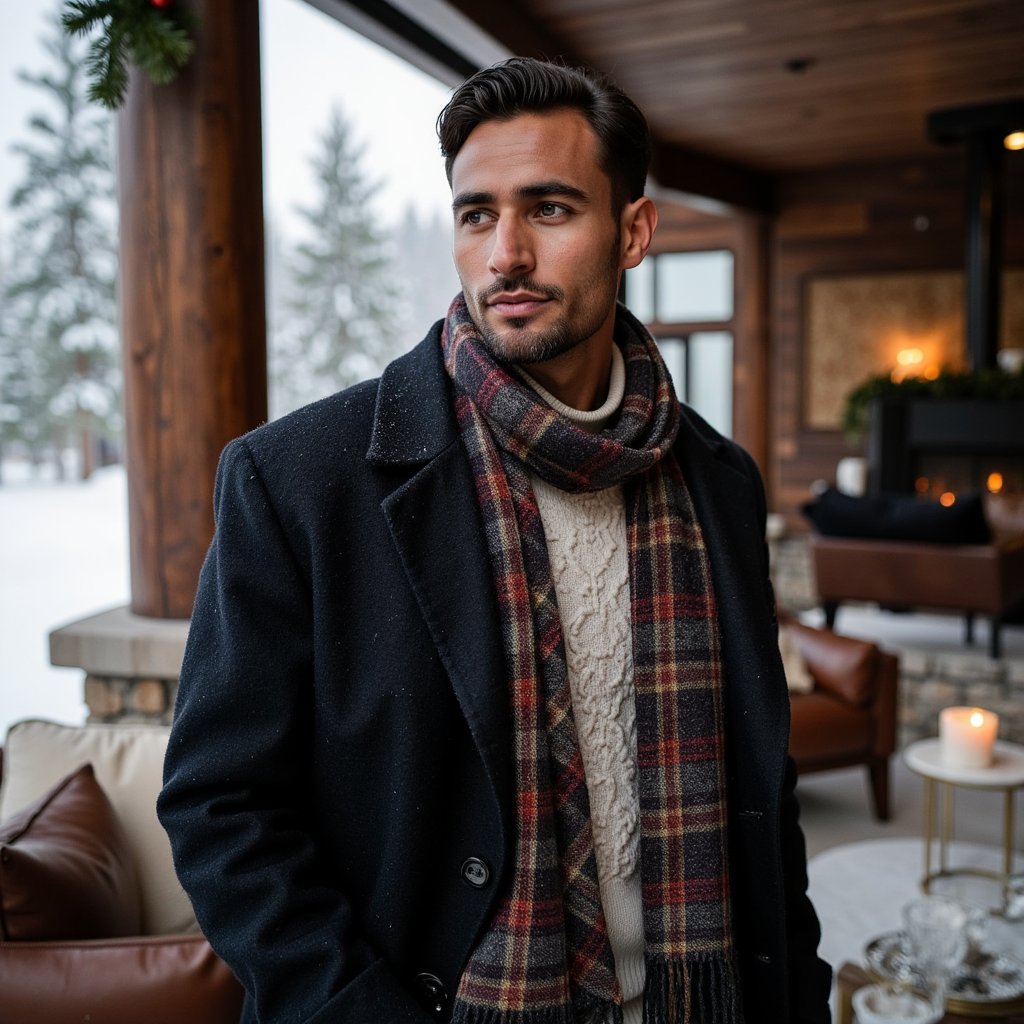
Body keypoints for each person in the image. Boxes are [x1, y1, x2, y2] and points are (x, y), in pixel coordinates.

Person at [158, 57, 832, 1024]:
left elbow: (764, 793)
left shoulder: (718, 483)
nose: (505, 253)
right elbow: (221, 811)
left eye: (549, 209)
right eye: (478, 215)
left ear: (633, 231)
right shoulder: (301, 479)